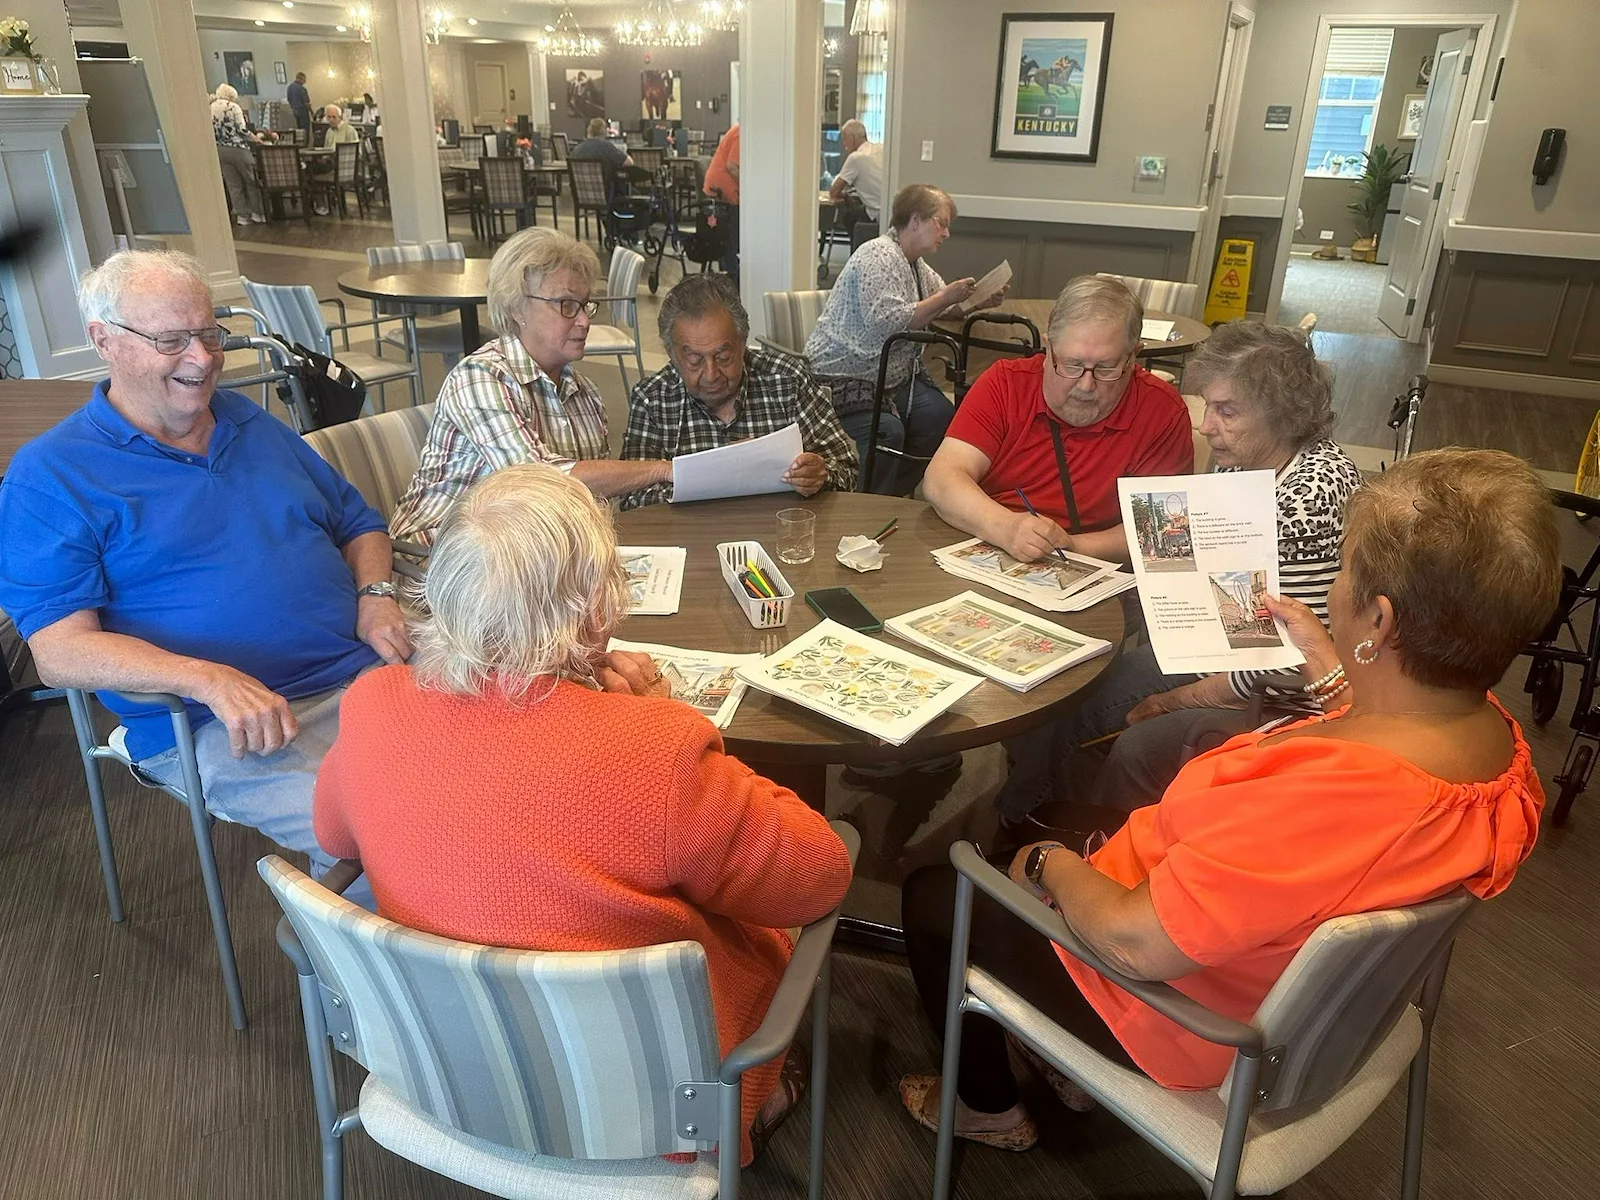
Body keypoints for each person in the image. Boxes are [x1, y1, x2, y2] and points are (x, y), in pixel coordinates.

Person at [898, 446, 1560, 1151]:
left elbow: (1134, 943)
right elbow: (1385, 766)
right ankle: (1054, 1054)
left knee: (940, 893)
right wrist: (1331, 668)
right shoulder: (1498, 751)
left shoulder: (1318, 798)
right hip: (1269, 975)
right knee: (1064, 817)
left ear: (1382, 622)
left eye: (1342, 573)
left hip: (1186, 1014)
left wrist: (1046, 867)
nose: (1329, 589)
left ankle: (985, 1108)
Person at [315, 463, 855, 1164]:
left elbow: (332, 834)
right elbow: (816, 877)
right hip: (656, 1114)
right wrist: (663, 719)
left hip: (442, 1067)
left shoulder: (372, 702)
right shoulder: (656, 747)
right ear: (596, 609)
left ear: (444, 592)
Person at [0, 250, 407, 878]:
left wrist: (375, 594)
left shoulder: (253, 423)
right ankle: (380, 974)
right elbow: (59, 651)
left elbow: (358, 523)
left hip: (369, 676)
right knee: (393, 843)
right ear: (102, 340)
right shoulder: (51, 475)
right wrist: (208, 679)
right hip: (223, 723)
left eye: (209, 334)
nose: (202, 358)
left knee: (520, 771)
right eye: (171, 340)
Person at [992, 320, 1364, 824]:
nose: (1206, 426)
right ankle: (1040, 803)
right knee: (1067, 677)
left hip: (1279, 698)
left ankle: (1051, 829)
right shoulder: (1248, 460)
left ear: (1282, 415)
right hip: (1218, 639)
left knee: (1103, 719)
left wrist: (1173, 701)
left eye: (1225, 410)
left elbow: (1289, 662)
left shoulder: (1307, 498)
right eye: (1207, 405)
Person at [389, 227, 672, 545]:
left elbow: (592, 505)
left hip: (527, 552)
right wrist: (662, 470)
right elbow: (541, 483)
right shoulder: (480, 378)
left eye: (585, 305)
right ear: (517, 308)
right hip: (442, 560)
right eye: (567, 305)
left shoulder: (585, 392)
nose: (584, 321)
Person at [921, 274, 1191, 565]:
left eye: (1106, 368)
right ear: (1048, 348)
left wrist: (1072, 546)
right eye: (1072, 365)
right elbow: (942, 479)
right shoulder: (1005, 384)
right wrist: (1007, 528)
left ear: (1133, 357)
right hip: (994, 546)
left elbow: (1161, 532)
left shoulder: (1161, 411)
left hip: (1100, 568)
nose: (1086, 385)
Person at [806, 184, 999, 495]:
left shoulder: (915, 264)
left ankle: (894, 493)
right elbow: (888, 325)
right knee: (888, 432)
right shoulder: (877, 256)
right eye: (942, 223)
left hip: (891, 374)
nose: (946, 234)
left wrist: (977, 302)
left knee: (941, 418)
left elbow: (941, 306)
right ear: (915, 221)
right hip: (845, 373)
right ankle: (869, 501)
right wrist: (945, 296)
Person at [621, 273, 858, 508]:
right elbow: (632, 501)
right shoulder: (653, 399)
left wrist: (820, 475)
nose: (712, 374)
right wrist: (716, 473)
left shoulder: (787, 380)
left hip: (780, 535)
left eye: (724, 357)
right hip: (689, 540)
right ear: (672, 354)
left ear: (742, 344)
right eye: (695, 360)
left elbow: (847, 469)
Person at [209, 84, 266, 227]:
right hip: (238, 149)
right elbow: (242, 130)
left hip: (220, 150)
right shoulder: (233, 107)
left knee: (233, 185)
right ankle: (257, 213)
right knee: (251, 180)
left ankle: (242, 216)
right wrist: (257, 139)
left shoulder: (210, 107)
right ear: (231, 96)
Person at [703, 122, 740, 279]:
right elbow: (732, 167)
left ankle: (731, 274)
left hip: (719, 193)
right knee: (732, 237)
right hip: (725, 195)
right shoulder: (743, 133)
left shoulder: (739, 130)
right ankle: (733, 277)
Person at [829, 117, 883, 221]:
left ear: (852, 138)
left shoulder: (855, 158)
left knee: (848, 218)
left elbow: (834, 192)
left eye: (844, 139)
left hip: (877, 213)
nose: (844, 144)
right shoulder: (881, 148)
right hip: (893, 209)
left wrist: (844, 195)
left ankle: (857, 237)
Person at [287, 71, 311, 137]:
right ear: (300, 79)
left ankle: (300, 144)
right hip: (302, 111)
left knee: (299, 129)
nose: (305, 81)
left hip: (294, 110)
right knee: (305, 129)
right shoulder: (302, 89)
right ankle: (305, 144)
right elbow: (306, 102)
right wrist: (312, 112)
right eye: (304, 80)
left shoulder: (290, 87)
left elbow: (289, 99)